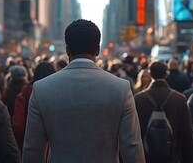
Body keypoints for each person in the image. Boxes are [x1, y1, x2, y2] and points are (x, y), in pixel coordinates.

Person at [23, 19, 145, 163]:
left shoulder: (41, 88)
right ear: (98, 50)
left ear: (67, 49)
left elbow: (32, 149)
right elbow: (132, 148)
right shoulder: (121, 88)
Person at [134, 60, 193, 163]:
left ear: (150, 74)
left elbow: (133, 132)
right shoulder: (179, 99)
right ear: (166, 74)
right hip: (172, 157)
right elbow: (187, 135)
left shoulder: (139, 99)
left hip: (146, 157)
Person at [12, 61, 56, 154]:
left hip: (31, 140)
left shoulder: (26, 93)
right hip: (55, 144)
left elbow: (18, 124)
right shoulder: (58, 91)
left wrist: (18, 143)